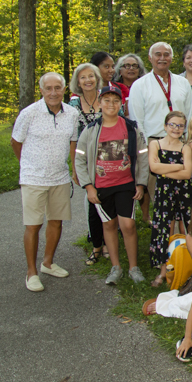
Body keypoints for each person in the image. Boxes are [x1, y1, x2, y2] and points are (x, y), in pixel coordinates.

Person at [74, 83, 148, 286]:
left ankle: (134, 267)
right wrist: (88, 186)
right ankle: (116, 267)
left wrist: (141, 184)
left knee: (129, 225)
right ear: (99, 103)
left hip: (126, 184)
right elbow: (79, 159)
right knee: (109, 224)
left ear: (121, 104)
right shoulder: (90, 130)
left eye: (115, 100)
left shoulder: (131, 127)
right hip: (101, 186)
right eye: (106, 100)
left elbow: (142, 156)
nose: (111, 104)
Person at [12, 73, 79, 291]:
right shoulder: (29, 113)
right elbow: (16, 142)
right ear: (41, 90)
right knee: (33, 224)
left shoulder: (72, 113)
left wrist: (74, 170)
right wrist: (28, 165)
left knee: (56, 221)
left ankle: (47, 263)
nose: (53, 92)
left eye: (57, 88)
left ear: (63, 90)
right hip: (33, 178)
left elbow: (72, 143)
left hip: (59, 177)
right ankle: (31, 272)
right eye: (48, 88)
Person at [148, 111, 192, 287]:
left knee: (186, 226)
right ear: (165, 125)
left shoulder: (185, 147)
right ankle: (163, 270)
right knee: (164, 228)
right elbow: (153, 167)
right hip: (164, 193)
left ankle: (187, 266)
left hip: (183, 192)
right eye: (173, 124)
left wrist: (164, 171)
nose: (176, 128)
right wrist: (177, 166)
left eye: (180, 125)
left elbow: (187, 173)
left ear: (184, 128)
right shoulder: (156, 144)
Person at [69, 62, 105, 265]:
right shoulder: (73, 104)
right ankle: (96, 243)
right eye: (83, 77)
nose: (88, 80)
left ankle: (108, 242)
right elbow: (73, 138)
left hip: (109, 158)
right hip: (85, 159)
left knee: (108, 199)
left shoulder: (107, 98)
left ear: (97, 78)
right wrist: (74, 166)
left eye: (91, 76)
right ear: (78, 81)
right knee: (91, 200)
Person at [127, 42, 192, 143]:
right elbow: (136, 121)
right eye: (158, 54)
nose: (162, 58)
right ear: (150, 58)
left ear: (171, 58)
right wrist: (145, 147)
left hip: (180, 142)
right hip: (152, 142)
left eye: (166, 54)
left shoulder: (183, 83)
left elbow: (189, 115)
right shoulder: (139, 85)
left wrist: (188, 143)